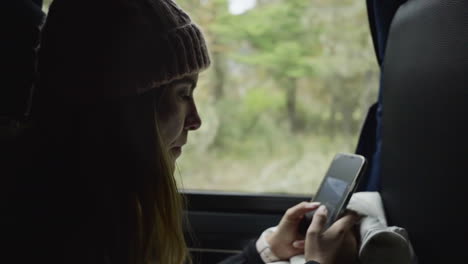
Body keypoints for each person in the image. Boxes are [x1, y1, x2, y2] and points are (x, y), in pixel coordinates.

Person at [3, 0, 359, 263]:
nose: (196, 120)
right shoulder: (55, 233)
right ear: (126, 109)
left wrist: (267, 251)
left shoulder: (98, 205)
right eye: (183, 95)